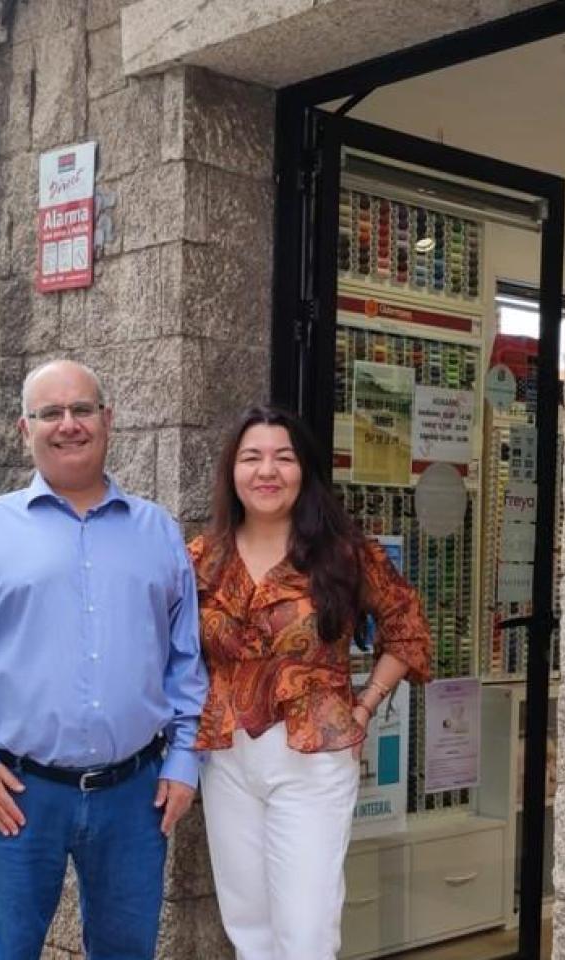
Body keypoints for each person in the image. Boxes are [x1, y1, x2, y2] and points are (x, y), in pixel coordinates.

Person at [0, 359, 207, 960]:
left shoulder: (158, 532)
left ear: (108, 420)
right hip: (15, 794)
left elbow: (186, 659)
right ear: (27, 429)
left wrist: (183, 761)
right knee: (3, 953)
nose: (67, 424)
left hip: (135, 796)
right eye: (50, 413)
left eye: (81, 410)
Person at [188, 404, 432, 960]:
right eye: (252, 458)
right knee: (247, 925)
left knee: (306, 931)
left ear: (305, 471)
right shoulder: (202, 559)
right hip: (226, 759)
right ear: (233, 470)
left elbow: (408, 629)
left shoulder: (344, 552)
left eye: (283, 457)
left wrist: (366, 706)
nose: (266, 471)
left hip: (313, 758)